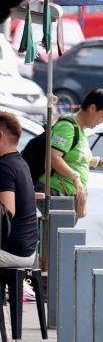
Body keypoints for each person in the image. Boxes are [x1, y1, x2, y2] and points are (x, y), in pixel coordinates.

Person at [44, 88, 103, 218]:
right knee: (57, 237)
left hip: (67, 195)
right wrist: (75, 177)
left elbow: (76, 156)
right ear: (92, 108)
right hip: (57, 193)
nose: (101, 121)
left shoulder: (80, 129)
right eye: (102, 116)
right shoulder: (67, 126)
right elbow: (53, 157)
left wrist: (101, 162)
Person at [0, 111, 38, 271]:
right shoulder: (20, 162)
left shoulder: (4, 167)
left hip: (12, 250)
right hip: (27, 249)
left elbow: (6, 213)